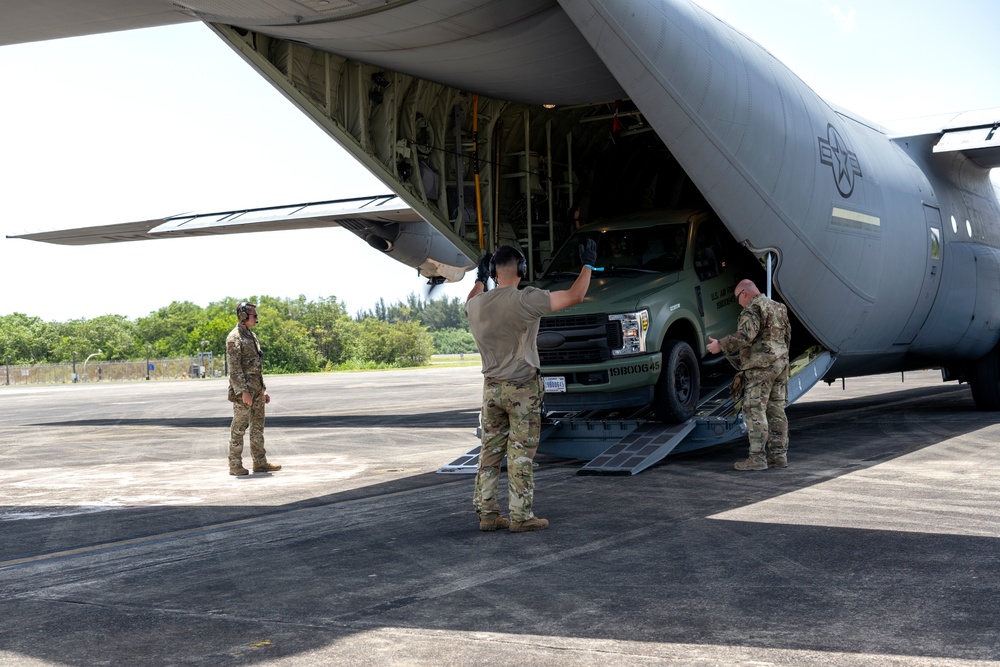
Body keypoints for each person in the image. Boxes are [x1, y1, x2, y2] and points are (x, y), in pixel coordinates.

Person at [465, 240, 597, 532]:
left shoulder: (475, 306)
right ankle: (521, 517)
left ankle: (487, 514)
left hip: (491, 390)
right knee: (520, 453)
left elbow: (471, 296)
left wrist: (479, 278)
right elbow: (576, 295)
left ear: (494, 272)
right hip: (522, 389)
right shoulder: (525, 299)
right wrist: (588, 264)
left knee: (489, 452)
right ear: (521, 270)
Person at [707, 279, 791, 471]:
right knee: (776, 410)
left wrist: (719, 345)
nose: (738, 303)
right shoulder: (779, 307)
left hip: (761, 367)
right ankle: (779, 456)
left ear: (744, 293)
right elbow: (787, 336)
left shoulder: (752, 309)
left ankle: (757, 459)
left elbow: (746, 336)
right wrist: (782, 359)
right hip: (780, 363)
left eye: (737, 298)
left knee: (754, 410)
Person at [226, 301, 281, 476]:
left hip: (256, 390)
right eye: (254, 315)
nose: (257, 318)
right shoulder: (235, 338)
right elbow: (235, 369)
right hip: (245, 392)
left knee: (258, 427)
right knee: (239, 427)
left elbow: (256, 366)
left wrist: (262, 389)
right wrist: (243, 392)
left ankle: (260, 462)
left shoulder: (251, 336)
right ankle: (235, 465)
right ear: (243, 316)